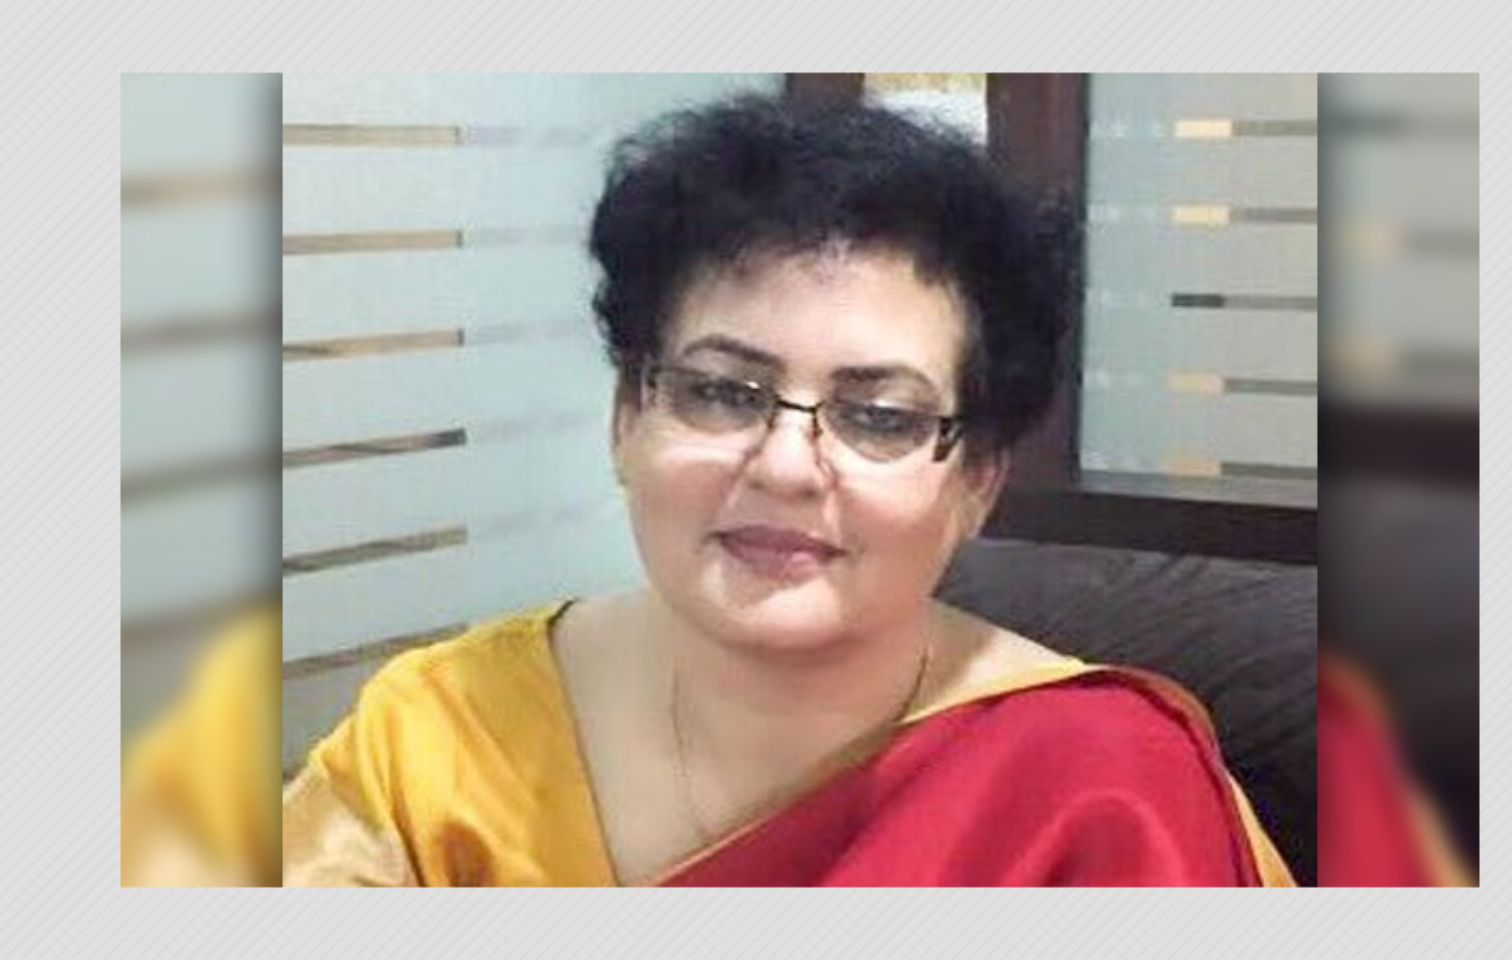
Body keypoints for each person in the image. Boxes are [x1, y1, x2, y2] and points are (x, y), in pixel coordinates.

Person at [282, 95, 1293, 886]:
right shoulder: (446, 738)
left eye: (879, 416)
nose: (783, 466)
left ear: (978, 482)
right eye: (723, 392)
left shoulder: (1103, 788)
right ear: (627, 417)